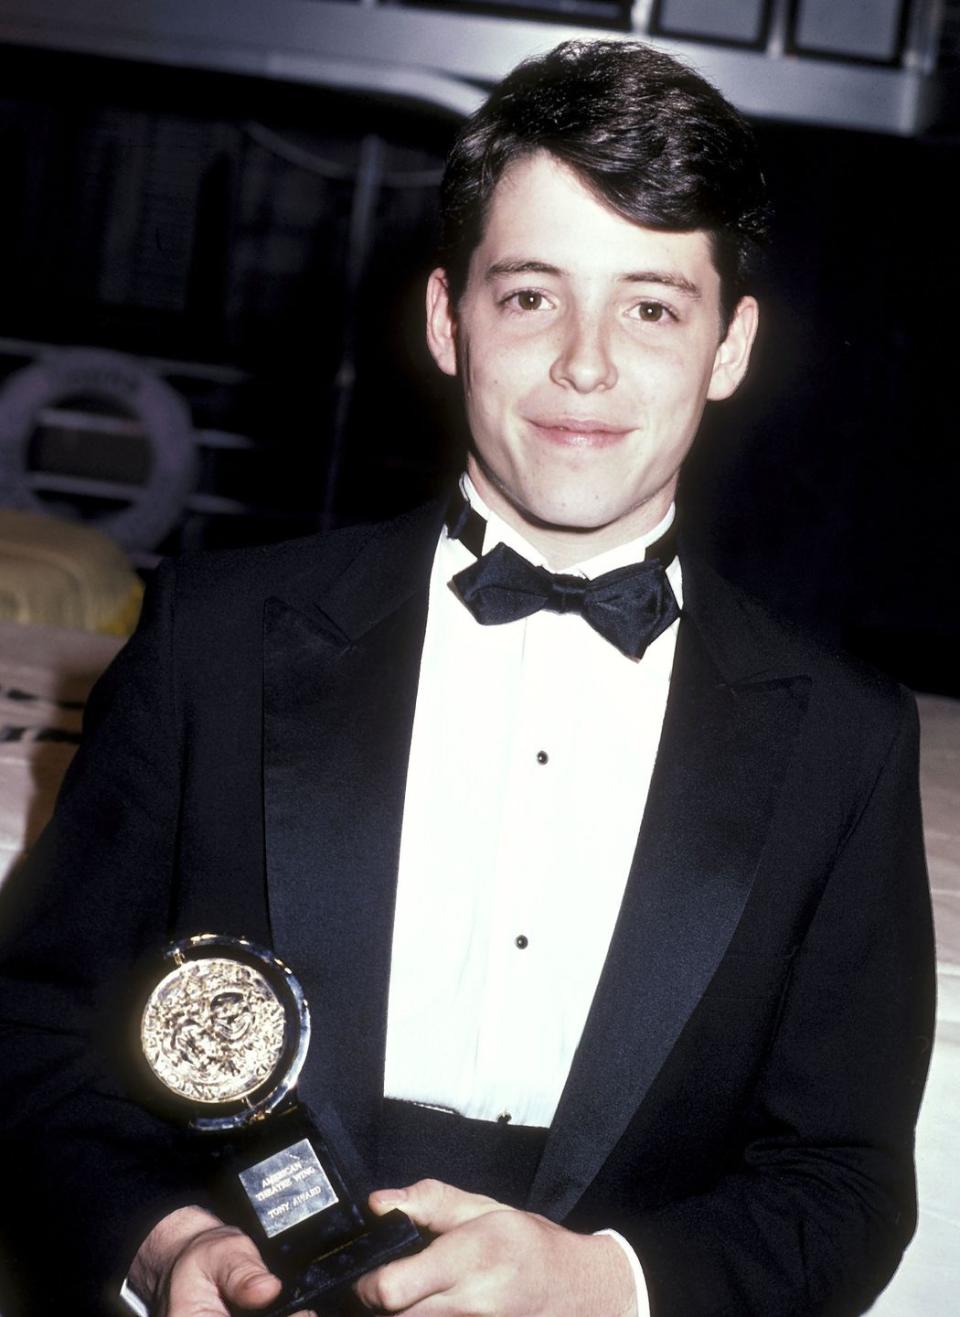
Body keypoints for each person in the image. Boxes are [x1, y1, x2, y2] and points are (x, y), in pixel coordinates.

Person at [0, 38, 935, 1317]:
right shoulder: (212, 642)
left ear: (729, 346)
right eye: (532, 295)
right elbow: (35, 1035)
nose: (587, 365)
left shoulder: (846, 742)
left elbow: (844, 1182)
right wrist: (164, 1247)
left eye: (653, 306)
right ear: (448, 318)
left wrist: (612, 1286)